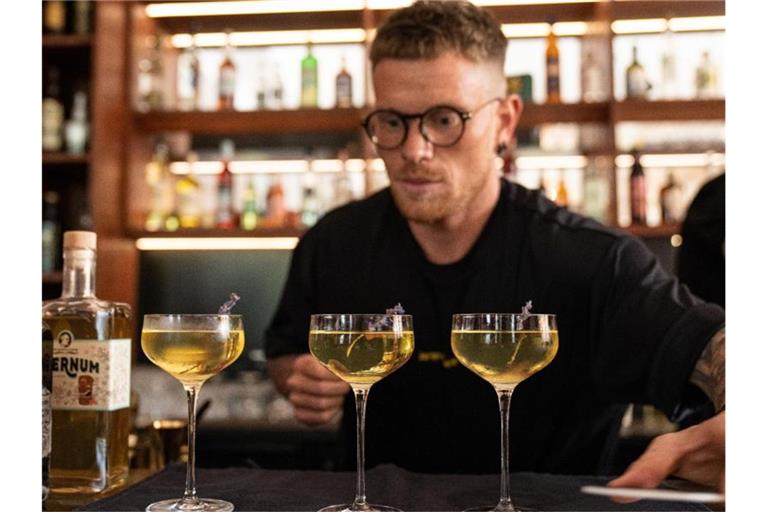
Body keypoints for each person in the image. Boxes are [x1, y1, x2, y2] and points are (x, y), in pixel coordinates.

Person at [265, 0, 724, 493]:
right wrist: (302, 381)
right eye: (392, 122)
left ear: (504, 122)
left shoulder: (590, 260)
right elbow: (285, 353)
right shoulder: (334, 243)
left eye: (444, 120)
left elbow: (709, 343)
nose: (415, 151)